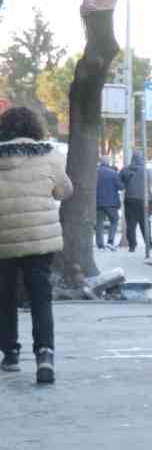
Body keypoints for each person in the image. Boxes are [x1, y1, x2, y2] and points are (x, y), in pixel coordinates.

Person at [0, 106, 70, 384]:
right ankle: (45, 355)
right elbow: (64, 191)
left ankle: (10, 355)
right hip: (41, 241)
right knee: (41, 299)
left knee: (4, 298)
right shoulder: (51, 155)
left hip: (3, 240)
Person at [120, 150, 149, 254]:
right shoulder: (145, 171)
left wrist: (126, 186)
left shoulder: (125, 170)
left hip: (129, 199)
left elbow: (119, 184)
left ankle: (132, 245)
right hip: (142, 199)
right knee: (144, 222)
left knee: (131, 223)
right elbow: (148, 186)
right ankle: (148, 242)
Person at [95, 155, 121, 250]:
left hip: (98, 203)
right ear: (108, 162)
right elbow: (120, 186)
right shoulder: (113, 173)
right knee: (114, 220)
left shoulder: (95, 172)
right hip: (111, 203)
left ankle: (100, 245)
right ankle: (110, 241)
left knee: (99, 223)